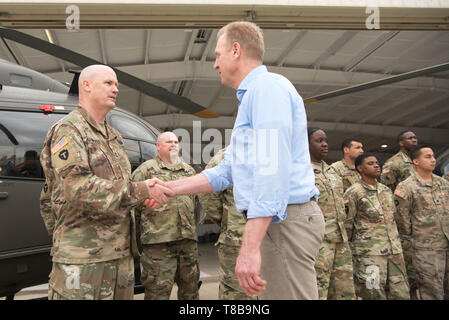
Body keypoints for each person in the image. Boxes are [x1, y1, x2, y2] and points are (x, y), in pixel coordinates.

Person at [150, 21, 325, 299]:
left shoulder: (266, 89)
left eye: (217, 55)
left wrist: (250, 246)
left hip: (285, 223)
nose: (214, 64)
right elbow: (225, 171)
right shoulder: (253, 96)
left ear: (235, 50)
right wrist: (170, 188)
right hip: (277, 223)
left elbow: (270, 168)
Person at [39, 64, 172, 300]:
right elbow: (77, 188)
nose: (116, 89)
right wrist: (140, 190)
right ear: (86, 85)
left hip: (119, 256)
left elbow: (120, 187)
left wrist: (142, 198)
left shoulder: (113, 136)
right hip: (84, 259)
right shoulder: (69, 130)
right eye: (108, 83)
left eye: (117, 85)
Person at [131, 132, 200, 300]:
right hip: (158, 245)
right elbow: (133, 205)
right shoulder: (146, 170)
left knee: (190, 291)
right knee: (157, 293)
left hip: (187, 242)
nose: (173, 144)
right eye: (169, 142)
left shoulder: (188, 170)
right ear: (158, 146)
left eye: (176, 141)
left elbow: (197, 202)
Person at [344, 153, 410, 300]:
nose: (376, 165)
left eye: (377, 163)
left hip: (394, 250)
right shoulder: (354, 192)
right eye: (370, 163)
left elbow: (394, 218)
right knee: (372, 292)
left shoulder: (386, 190)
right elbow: (348, 224)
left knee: (401, 292)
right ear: (360, 168)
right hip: (370, 253)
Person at [198, 148, 256, 300]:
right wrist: (226, 218)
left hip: (272, 240)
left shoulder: (274, 152)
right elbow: (206, 191)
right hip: (237, 239)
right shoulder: (226, 155)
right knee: (237, 291)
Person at [394, 145, 449, 300]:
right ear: (416, 161)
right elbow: (401, 218)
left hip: (446, 244)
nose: (433, 160)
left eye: (433, 156)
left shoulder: (443, 184)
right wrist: (417, 238)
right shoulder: (406, 186)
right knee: (431, 292)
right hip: (426, 249)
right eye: (428, 157)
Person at [308, 127, 356, 300]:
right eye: (319, 141)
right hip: (319, 242)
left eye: (325, 140)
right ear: (306, 144)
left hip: (340, 240)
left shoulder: (332, 171)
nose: (325, 144)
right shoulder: (301, 171)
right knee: (318, 290)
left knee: (345, 291)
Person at [380, 130, 418, 299]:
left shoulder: (418, 161)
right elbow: (386, 191)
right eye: (410, 138)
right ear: (401, 143)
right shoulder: (393, 163)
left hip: (420, 220)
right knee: (406, 267)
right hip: (402, 220)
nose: (414, 140)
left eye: (415, 137)